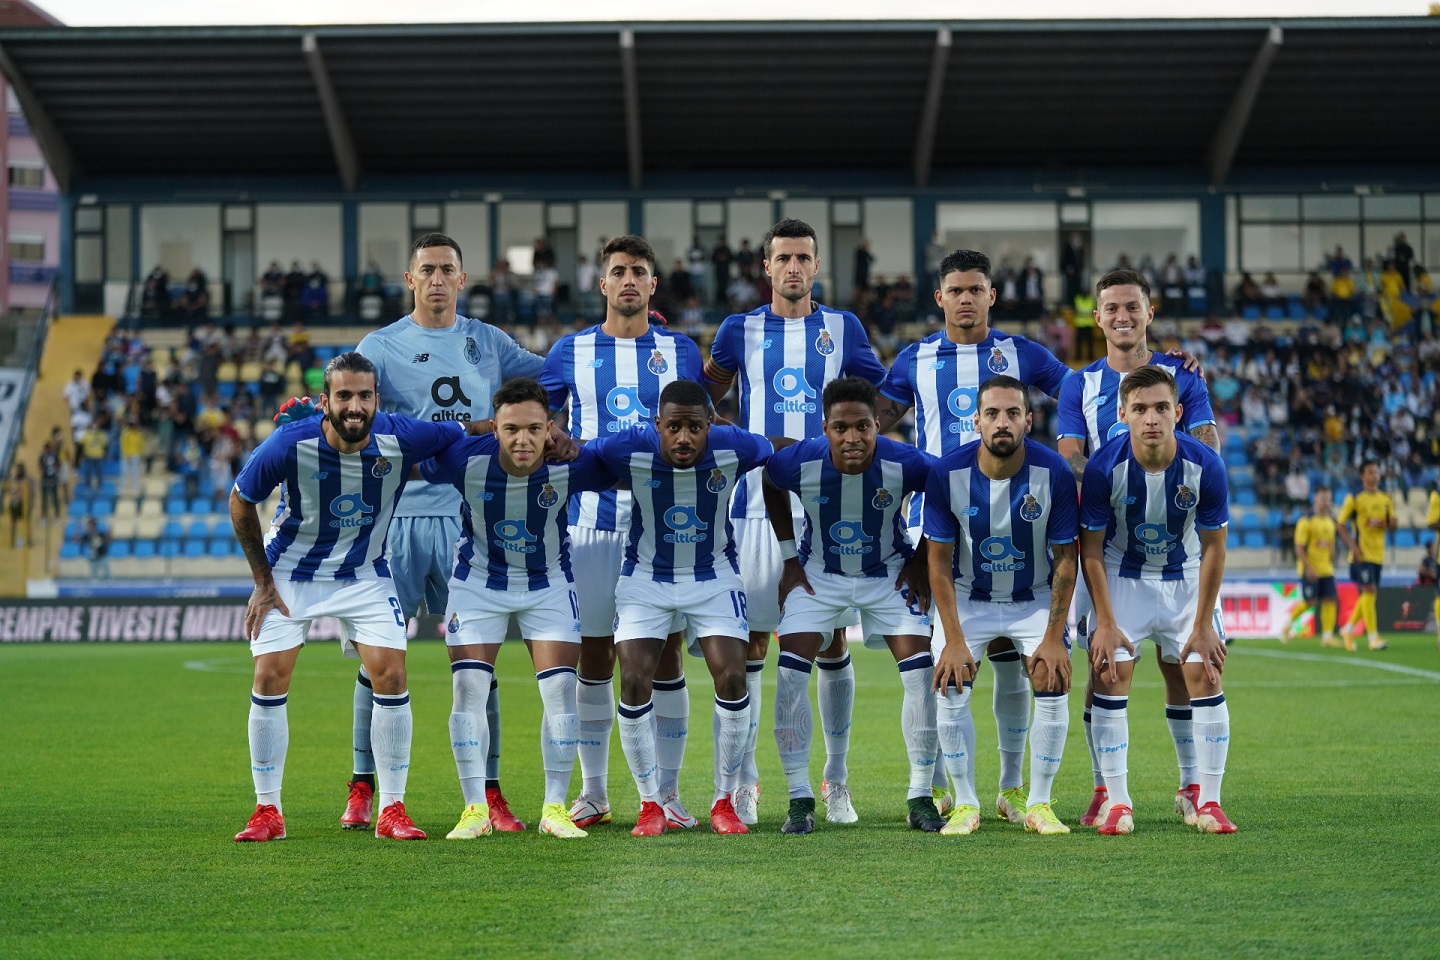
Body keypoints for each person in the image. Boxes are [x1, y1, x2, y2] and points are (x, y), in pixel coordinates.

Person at [341, 233, 550, 833]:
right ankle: (362, 785)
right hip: (395, 519)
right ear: (410, 279)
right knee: (376, 659)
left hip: (469, 519)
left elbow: (553, 378)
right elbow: (357, 418)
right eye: (427, 270)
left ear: (463, 278)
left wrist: (615, 342)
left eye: (447, 270)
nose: (437, 279)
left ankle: (491, 793)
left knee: (478, 662)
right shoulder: (380, 346)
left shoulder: (489, 341)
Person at [230, 352, 474, 843]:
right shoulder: (288, 444)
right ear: (325, 402)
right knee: (269, 675)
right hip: (292, 573)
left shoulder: (400, 435)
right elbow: (241, 501)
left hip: (364, 574)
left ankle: (392, 809)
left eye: (364, 396)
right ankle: (267, 811)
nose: (355, 406)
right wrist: (262, 582)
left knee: (391, 673)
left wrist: (519, 432)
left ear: (377, 400)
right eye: (344, 396)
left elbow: (462, 431)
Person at [875, 248, 1071, 824]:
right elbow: (871, 421)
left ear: (992, 296)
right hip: (937, 525)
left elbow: (1084, 395)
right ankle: (938, 786)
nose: (966, 299)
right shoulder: (914, 359)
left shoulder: (1022, 353)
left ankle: (1011, 789)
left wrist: (1158, 370)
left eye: (976, 290)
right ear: (940, 298)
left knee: (1012, 663)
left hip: (1015, 519)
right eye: (956, 290)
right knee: (934, 663)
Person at [703, 218, 887, 825]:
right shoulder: (738, 330)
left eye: (803, 258)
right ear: (766, 267)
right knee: (752, 644)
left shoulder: (844, 328)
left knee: (830, 643)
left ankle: (836, 780)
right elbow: (702, 399)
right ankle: (745, 783)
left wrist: (856, 453)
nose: (793, 268)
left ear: (816, 266)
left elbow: (881, 398)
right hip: (755, 506)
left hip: (828, 508)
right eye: (783, 258)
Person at [539, 235, 707, 832]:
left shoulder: (680, 351)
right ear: (602, 283)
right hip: (590, 523)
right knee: (593, 656)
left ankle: (668, 793)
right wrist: (555, 437)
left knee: (664, 656)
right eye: (618, 271)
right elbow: (540, 420)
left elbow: (698, 429)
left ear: (653, 285)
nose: (629, 280)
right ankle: (593, 792)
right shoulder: (570, 350)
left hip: (664, 527)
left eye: (639, 271)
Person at [420, 378, 620, 840]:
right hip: (477, 584)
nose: (523, 440)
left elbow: (621, 464)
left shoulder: (572, 462)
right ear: (495, 428)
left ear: (550, 428)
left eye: (534, 428)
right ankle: (474, 809)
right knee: (468, 688)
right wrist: (466, 427)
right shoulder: (463, 459)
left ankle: (554, 808)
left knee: (560, 691)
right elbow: (418, 455)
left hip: (547, 585)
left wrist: (580, 443)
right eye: (511, 429)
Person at [1054, 268, 1219, 828]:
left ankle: (1192, 786)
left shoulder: (1182, 374)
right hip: (1105, 546)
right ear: (1096, 317)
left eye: (1132, 307)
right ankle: (1105, 788)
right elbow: (1071, 460)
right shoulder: (1078, 385)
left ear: (1150, 313)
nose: (1122, 316)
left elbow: (1207, 446)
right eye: (1112, 308)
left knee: (1182, 666)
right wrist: (1117, 481)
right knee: (1103, 668)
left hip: (1176, 542)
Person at [588, 380, 780, 836]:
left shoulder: (735, 446)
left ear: (711, 424)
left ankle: (723, 801)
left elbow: (777, 449)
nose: (683, 438)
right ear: (657, 424)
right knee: (634, 678)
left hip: (714, 578)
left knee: (733, 676)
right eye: (673, 427)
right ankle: (650, 804)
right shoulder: (627, 448)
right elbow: (580, 455)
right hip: (645, 579)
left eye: (695, 427)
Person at [760, 377, 938, 833]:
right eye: (841, 427)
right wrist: (789, 559)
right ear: (825, 428)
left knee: (921, 673)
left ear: (878, 425)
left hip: (887, 574)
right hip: (819, 574)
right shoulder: (800, 461)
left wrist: (921, 558)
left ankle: (920, 796)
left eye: (863, 426)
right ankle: (800, 798)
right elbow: (769, 480)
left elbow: (945, 489)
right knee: (790, 674)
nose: (852, 437)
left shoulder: (905, 462)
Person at [1080, 364, 1234, 835]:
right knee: (1110, 674)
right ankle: (1118, 803)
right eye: (1140, 408)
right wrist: (1105, 622)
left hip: (1185, 575)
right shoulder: (1103, 467)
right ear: (1123, 414)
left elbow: (1214, 547)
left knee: (1204, 673)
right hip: (1122, 574)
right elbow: (1090, 549)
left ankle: (1208, 799)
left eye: (1161, 408)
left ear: (1178, 412)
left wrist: (1203, 625)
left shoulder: (1206, 465)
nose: (1151, 418)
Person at [925, 376, 1079, 837]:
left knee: (1051, 676)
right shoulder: (946, 473)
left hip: (1032, 597)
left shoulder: (1053, 472)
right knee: (951, 683)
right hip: (968, 597)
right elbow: (938, 562)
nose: (1002, 422)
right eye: (992, 413)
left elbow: (1066, 558)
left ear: (1029, 421)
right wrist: (953, 639)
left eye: (1013, 413)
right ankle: (965, 803)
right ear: (976, 421)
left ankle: (1038, 803)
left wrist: (1053, 638)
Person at [1337, 460, 1396, 651]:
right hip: (1361, 555)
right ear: (1362, 476)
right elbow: (1340, 524)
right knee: (1369, 591)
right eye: (1371, 472)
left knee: (1369, 595)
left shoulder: (1386, 498)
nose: (1375, 476)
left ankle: (1347, 629)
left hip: (1378, 554)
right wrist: (1353, 547)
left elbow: (1390, 526)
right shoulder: (1355, 498)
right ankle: (1373, 638)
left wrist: (1393, 524)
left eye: (1377, 472)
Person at [1290, 486, 1344, 648]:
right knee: (1310, 602)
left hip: (1326, 569)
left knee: (1330, 600)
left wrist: (1332, 556)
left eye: (1328, 499)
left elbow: (1330, 545)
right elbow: (1299, 547)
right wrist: (1308, 568)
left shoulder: (1330, 521)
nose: (1325, 502)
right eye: (1322, 499)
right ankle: (1287, 624)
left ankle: (1327, 637)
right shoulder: (1306, 521)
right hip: (1310, 569)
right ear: (1315, 499)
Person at [6, 463, 32, 548]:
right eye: (18, 470)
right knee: (13, 522)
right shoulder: (13, 480)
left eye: (20, 470)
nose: (19, 471)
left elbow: (29, 491)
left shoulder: (27, 480)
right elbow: (11, 491)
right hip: (15, 503)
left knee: (27, 522)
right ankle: (12, 540)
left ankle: (28, 540)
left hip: (23, 503)